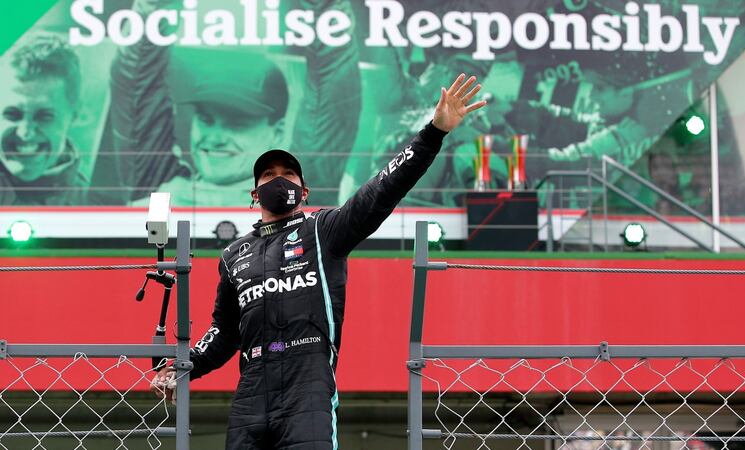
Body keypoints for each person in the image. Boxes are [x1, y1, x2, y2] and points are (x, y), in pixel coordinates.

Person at [152, 73, 486, 449]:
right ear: (254, 193)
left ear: (304, 191)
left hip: (308, 385)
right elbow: (225, 331)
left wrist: (433, 133)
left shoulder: (325, 230)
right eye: (268, 175)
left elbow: (382, 188)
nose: (279, 180)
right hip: (250, 392)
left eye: (288, 174)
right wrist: (185, 366)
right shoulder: (234, 255)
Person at [111, 0, 360, 206]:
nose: (216, 137)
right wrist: (151, 7)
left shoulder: (298, 194)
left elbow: (333, 88)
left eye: (238, 123)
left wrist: (325, 6)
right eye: (206, 119)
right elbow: (136, 89)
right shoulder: (156, 188)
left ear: (279, 131)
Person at [0, 33, 88, 205]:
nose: (25, 132)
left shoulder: (92, 209)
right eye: (12, 115)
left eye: (44, 116)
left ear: (74, 115)